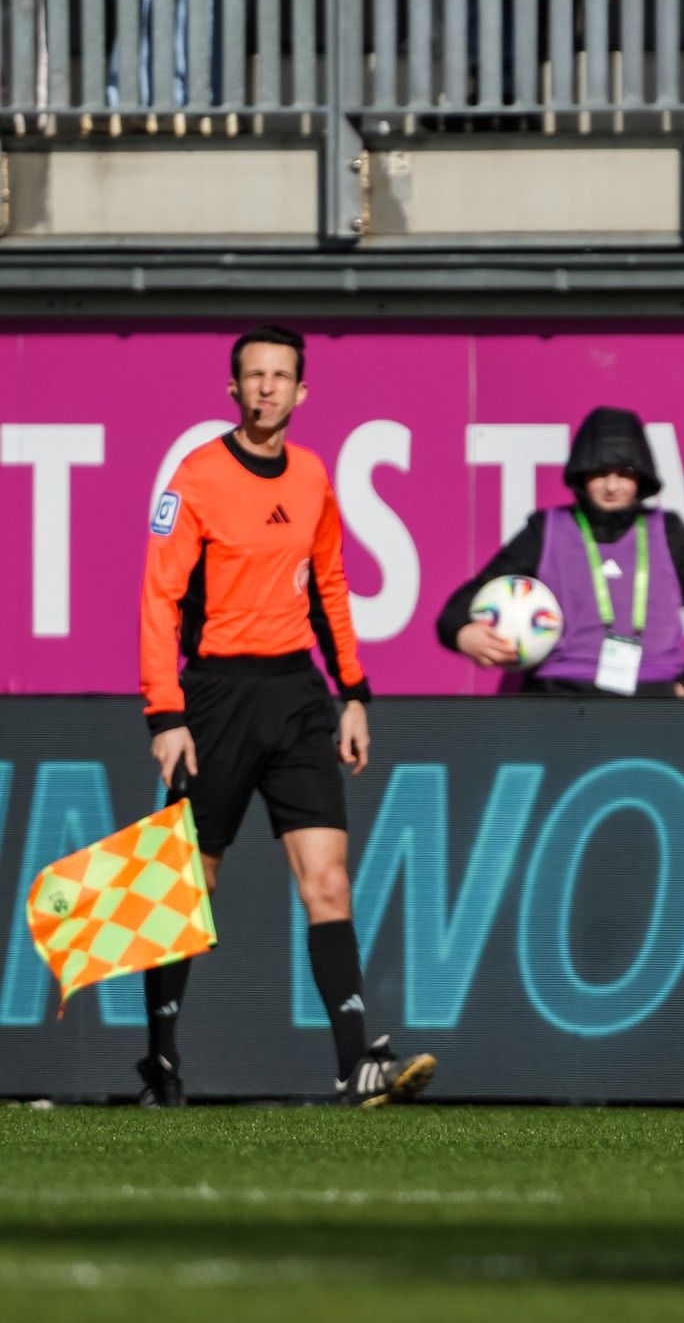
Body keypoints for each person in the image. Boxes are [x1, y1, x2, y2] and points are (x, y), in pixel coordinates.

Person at [139, 324, 436, 1108]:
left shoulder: (312, 475)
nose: (267, 387)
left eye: (281, 376)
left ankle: (357, 1062)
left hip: (298, 696)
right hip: (214, 700)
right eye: (254, 376)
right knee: (190, 890)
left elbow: (330, 586)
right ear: (232, 390)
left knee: (328, 878)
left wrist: (355, 692)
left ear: (303, 392)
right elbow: (158, 600)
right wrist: (164, 712)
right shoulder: (195, 477)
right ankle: (160, 1060)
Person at [436, 407, 684, 697]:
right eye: (599, 472)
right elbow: (457, 610)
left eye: (624, 472)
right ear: (582, 473)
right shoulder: (547, 529)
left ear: (641, 476)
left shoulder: (667, 532)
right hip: (560, 697)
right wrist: (463, 634)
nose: (612, 485)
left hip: (654, 695)